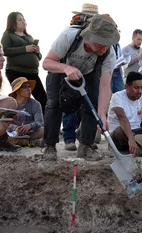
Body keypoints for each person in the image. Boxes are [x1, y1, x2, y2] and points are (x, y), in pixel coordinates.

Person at [42, 14, 119, 161]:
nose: (103, 50)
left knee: (93, 103)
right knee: (53, 104)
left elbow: (105, 85)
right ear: (89, 37)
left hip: (88, 73)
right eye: (99, 44)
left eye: (106, 44)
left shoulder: (109, 53)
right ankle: (49, 146)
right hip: (60, 70)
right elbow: (46, 63)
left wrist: (102, 114)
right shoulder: (69, 36)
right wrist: (66, 68)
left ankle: (86, 146)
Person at [62, 3, 99, 152]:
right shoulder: (71, 33)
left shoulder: (98, 37)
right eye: (90, 18)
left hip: (88, 73)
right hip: (68, 73)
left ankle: (84, 138)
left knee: (88, 105)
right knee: (69, 104)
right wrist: (66, 69)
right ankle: (69, 138)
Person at [1, 12, 46, 115]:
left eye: (23, 19)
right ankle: (16, 123)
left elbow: (38, 58)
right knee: (21, 99)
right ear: (12, 22)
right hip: (16, 71)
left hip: (33, 72)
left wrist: (37, 52)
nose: (23, 21)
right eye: (19, 19)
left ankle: (44, 125)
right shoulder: (8, 35)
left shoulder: (29, 37)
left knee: (43, 99)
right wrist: (24, 49)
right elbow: (6, 51)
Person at [7, 77, 44, 147]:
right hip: (14, 134)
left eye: (29, 86)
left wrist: (30, 126)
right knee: (4, 136)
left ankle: (23, 142)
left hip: (30, 132)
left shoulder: (36, 104)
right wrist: (15, 128)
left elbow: (39, 122)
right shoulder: (9, 104)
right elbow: (4, 123)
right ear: (17, 91)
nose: (29, 89)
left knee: (45, 131)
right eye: (24, 87)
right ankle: (32, 142)